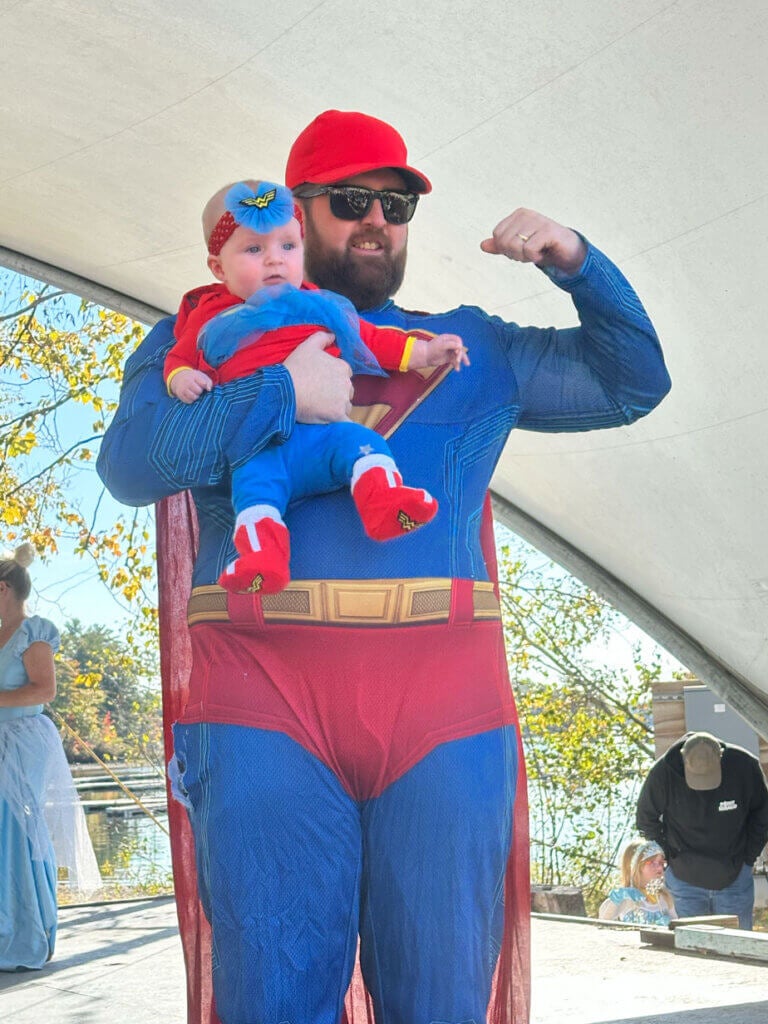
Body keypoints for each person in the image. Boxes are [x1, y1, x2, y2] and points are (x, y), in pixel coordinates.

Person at [97, 109, 671, 1024]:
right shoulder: (202, 345)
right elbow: (130, 465)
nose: (377, 219)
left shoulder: (468, 349)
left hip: (444, 711)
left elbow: (632, 382)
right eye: (351, 199)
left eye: (396, 202)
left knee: (442, 1003)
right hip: (261, 706)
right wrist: (278, 392)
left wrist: (576, 261)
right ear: (293, 208)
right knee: (273, 1003)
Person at [165, 178, 468, 593]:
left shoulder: (317, 303)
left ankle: (383, 504)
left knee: (362, 443)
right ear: (219, 267)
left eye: (287, 247)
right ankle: (263, 558)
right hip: (259, 445)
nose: (275, 261)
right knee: (253, 492)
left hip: (323, 437)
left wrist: (426, 353)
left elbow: (372, 340)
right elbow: (179, 358)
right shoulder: (209, 319)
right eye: (254, 249)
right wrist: (183, 377)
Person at [0, 543, 101, 971]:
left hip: (23, 740)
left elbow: (45, 690)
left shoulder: (32, 631)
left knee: (17, 830)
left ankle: (26, 934)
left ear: (3, 588)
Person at [637, 730, 768, 930]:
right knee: (695, 950)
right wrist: (670, 855)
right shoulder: (663, 773)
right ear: (682, 761)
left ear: (722, 758)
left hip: (734, 876)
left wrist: (749, 856)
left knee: (738, 950)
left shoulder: (744, 766)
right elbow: (646, 820)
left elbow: (763, 815)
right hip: (684, 880)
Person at [598, 839, 677, 925]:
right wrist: (617, 899)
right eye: (652, 863)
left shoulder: (665, 897)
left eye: (662, 863)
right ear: (634, 867)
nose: (660, 868)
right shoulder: (627, 898)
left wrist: (670, 926)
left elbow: (678, 930)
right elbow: (603, 923)